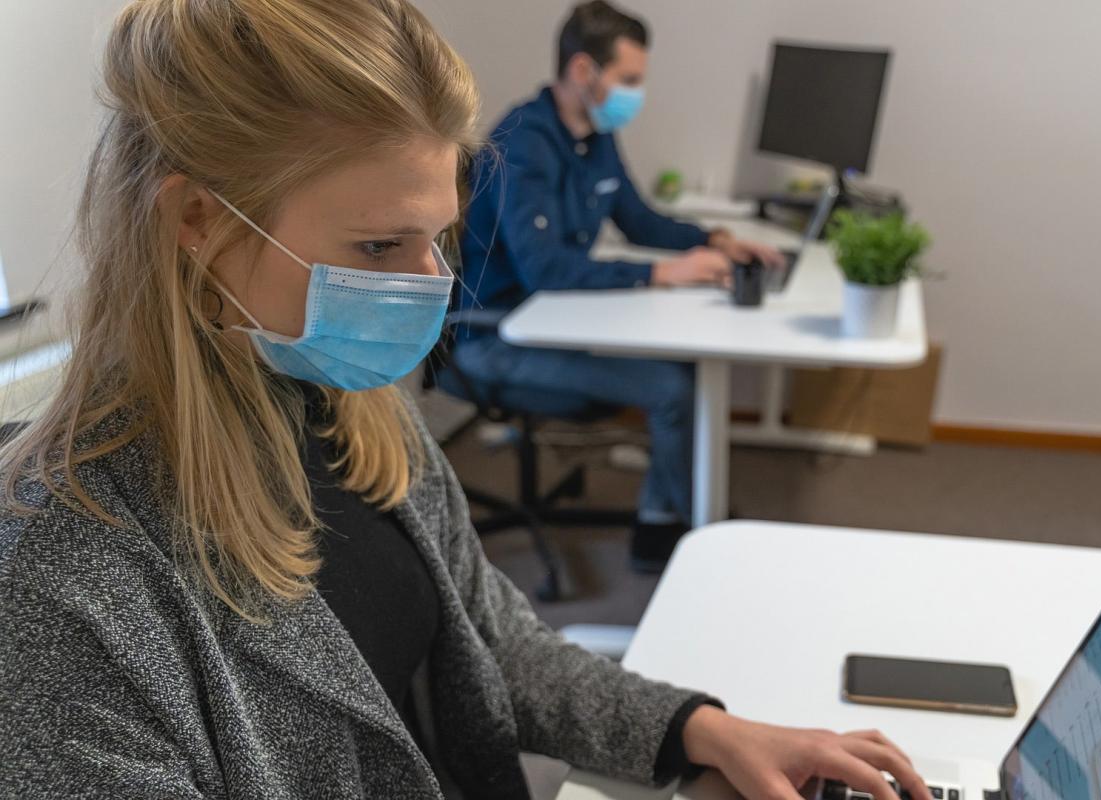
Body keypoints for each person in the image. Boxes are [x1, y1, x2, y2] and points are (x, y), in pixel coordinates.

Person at [0, 2, 931, 799]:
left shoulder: (349, 403)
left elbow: (491, 644)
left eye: (439, 240)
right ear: (196, 220)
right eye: (378, 249)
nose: (430, 286)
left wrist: (697, 729)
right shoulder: (60, 584)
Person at [457, 0, 784, 573]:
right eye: (629, 80)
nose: (636, 94)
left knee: (681, 374)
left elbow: (638, 219)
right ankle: (679, 537)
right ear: (584, 72)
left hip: (553, 324)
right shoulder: (523, 143)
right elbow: (546, 270)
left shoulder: (591, 131)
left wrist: (715, 240)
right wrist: (662, 273)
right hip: (495, 338)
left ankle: (666, 517)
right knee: (673, 389)